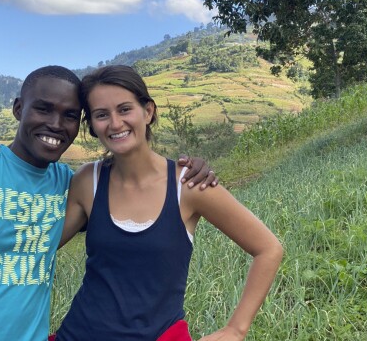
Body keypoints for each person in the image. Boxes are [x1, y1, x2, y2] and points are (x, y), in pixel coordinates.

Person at [0, 65, 216, 341]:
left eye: (70, 115)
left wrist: (190, 170)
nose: (56, 124)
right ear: (18, 109)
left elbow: (130, 201)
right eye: (43, 109)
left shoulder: (68, 183)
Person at [51, 65, 283, 341]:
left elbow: (268, 249)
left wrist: (236, 329)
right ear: (92, 126)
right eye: (102, 115)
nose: (114, 123)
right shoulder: (88, 181)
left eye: (125, 109)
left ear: (147, 112)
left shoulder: (189, 185)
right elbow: (37, 247)